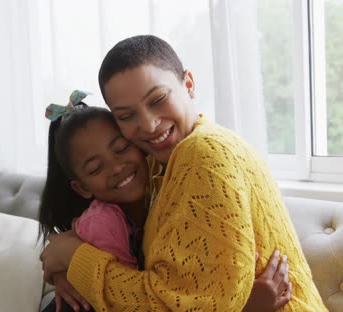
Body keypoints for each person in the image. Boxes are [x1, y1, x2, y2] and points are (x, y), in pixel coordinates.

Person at [40, 35, 327, 311]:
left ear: (188, 84)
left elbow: (178, 305)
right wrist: (64, 265)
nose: (150, 125)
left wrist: (76, 259)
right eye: (127, 116)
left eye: (157, 99)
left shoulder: (204, 152)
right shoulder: (157, 162)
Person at [39, 90, 292, 312]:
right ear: (82, 187)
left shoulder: (166, 185)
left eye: (121, 149)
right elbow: (128, 301)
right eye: (95, 169)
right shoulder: (103, 222)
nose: (116, 167)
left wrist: (66, 260)